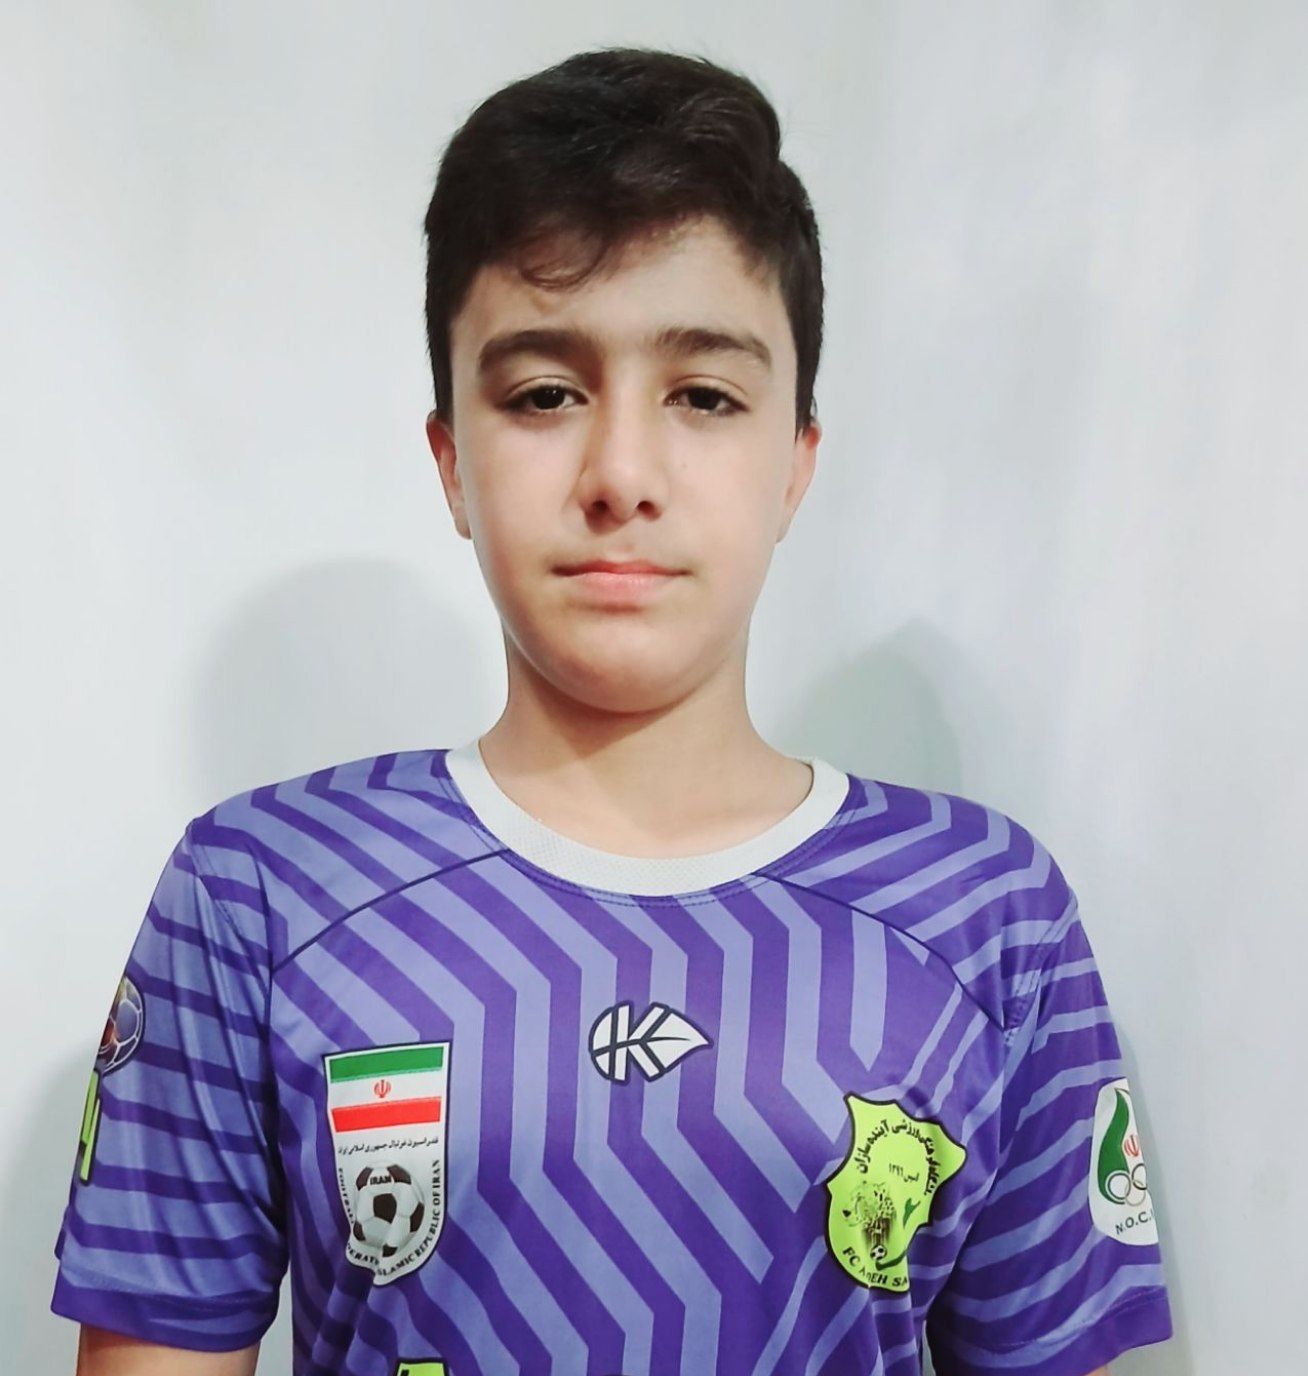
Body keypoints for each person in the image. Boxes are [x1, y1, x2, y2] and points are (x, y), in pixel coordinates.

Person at [51, 44, 1174, 1376]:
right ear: (452, 462)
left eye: (704, 395)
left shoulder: (987, 914)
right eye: (544, 393)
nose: (621, 472)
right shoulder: (257, 894)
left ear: (795, 463)